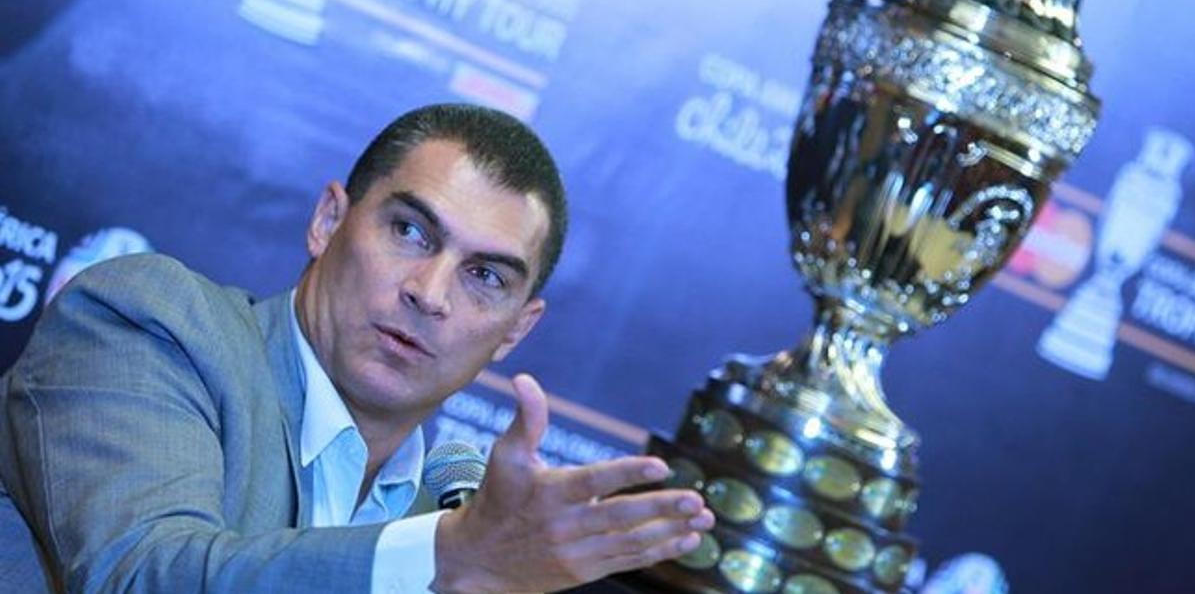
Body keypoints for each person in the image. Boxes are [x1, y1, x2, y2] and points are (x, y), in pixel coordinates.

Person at [0, 103, 714, 592]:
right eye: (411, 232)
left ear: (515, 330)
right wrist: (450, 555)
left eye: (484, 275)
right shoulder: (155, 322)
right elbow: (144, 574)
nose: (430, 292)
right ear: (328, 220)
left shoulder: (444, 512)